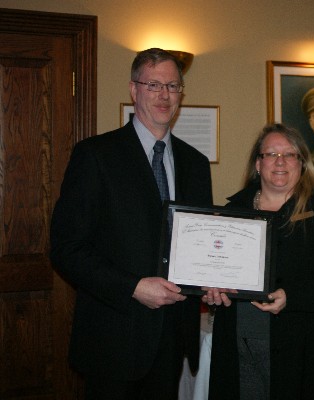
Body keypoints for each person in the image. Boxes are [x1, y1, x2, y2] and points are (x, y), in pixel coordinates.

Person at [50, 48, 213, 400]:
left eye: (173, 86)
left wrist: (216, 280)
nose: (164, 95)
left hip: (173, 336)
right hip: (113, 337)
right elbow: (67, 249)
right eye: (153, 84)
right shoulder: (95, 155)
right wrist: (133, 287)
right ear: (133, 89)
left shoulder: (195, 164)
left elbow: (200, 243)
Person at [205, 123, 314, 399]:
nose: (280, 162)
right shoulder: (232, 211)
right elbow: (217, 270)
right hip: (242, 342)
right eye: (271, 154)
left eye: (289, 154)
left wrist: (292, 296)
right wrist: (214, 291)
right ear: (258, 163)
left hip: (304, 346)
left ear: (302, 163)